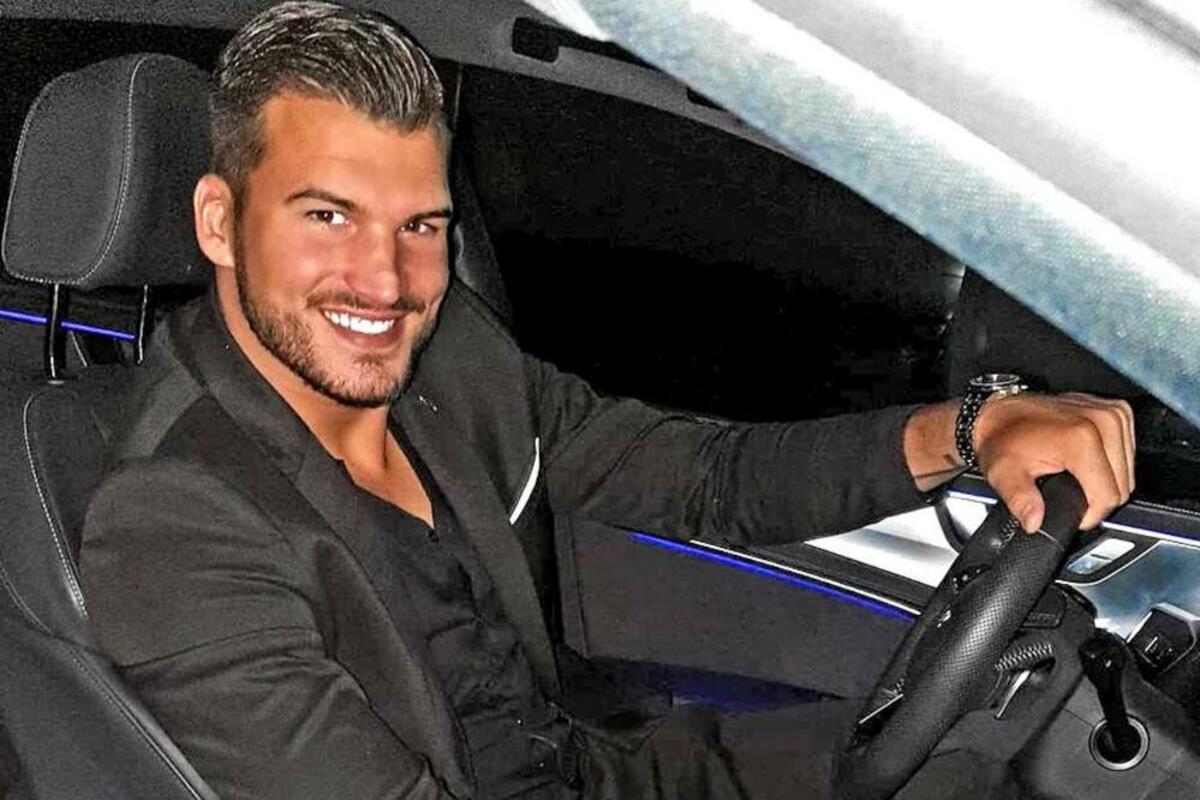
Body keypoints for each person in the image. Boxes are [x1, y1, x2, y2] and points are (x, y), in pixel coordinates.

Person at [79, 2, 1135, 799]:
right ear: (218, 222)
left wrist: (971, 429)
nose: (388, 281)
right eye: (328, 216)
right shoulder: (173, 520)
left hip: (596, 756)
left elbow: (702, 477)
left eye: (421, 225)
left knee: (990, 748)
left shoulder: (447, 358)